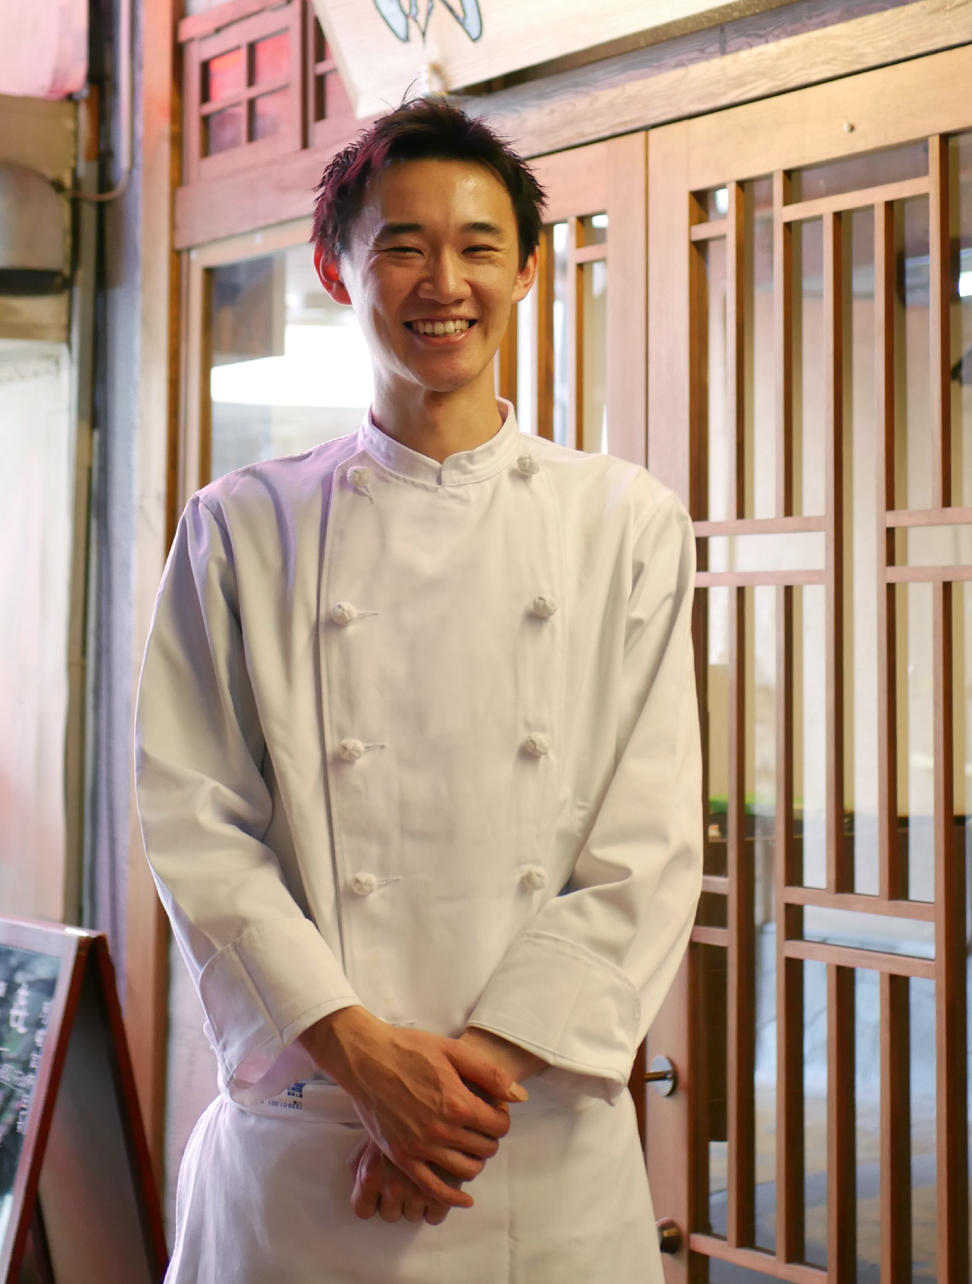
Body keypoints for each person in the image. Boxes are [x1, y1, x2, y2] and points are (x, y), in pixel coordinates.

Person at [136, 99, 701, 1282]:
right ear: (337, 271)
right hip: (310, 1141)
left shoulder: (623, 522)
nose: (441, 280)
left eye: (478, 245)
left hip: (526, 1151)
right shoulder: (244, 526)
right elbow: (195, 822)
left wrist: (449, 1101)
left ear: (529, 269)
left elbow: (643, 843)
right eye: (400, 243)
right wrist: (368, 1066)